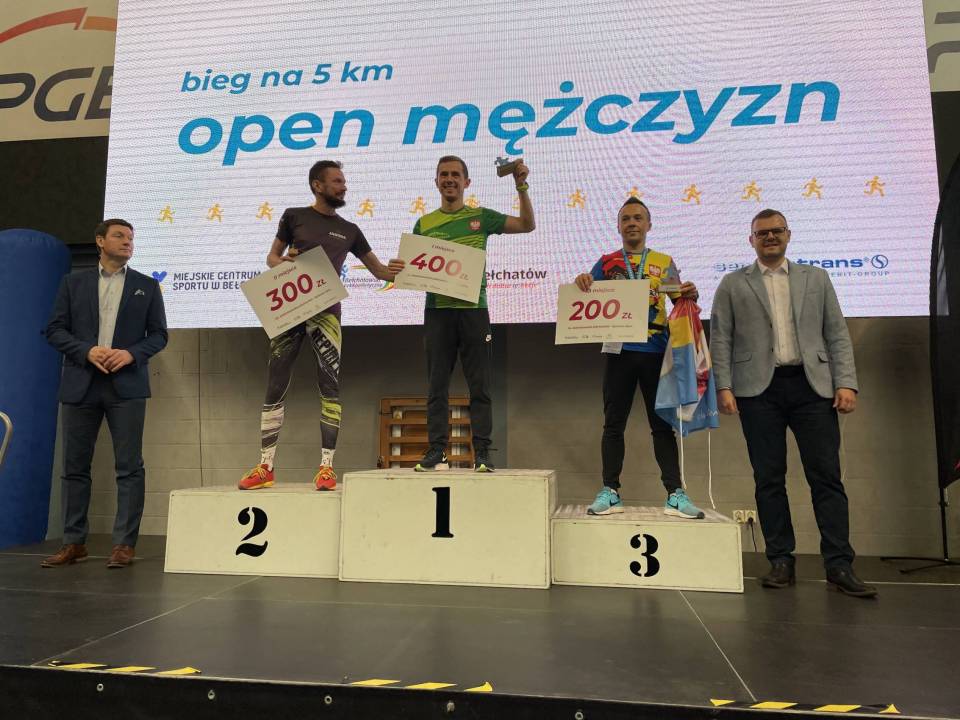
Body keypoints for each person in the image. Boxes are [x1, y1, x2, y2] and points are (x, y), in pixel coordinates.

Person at [710, 208, 877, 598]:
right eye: (762, 233)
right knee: (769, 479)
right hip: (757, 391)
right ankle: (780, 561)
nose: (770, 237)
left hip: (812, 388)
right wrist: (724, 386)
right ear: (751, 240)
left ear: (788, 235)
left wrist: (846, 382)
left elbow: (836, 332)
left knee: (826, 477)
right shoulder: (732, 283)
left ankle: (839, 565)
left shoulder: (816, 278)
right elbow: (721, 338)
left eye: (777, 231)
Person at [239, 160, 403, 491]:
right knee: (275, 384)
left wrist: (403, 268)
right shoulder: (293, 216)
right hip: (291, 310)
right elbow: (272, 258)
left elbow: (380, 272)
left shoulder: (350, 230)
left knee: (329, 385)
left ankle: (327, 468)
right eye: (337, 181)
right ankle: (265, 466)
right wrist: (281, 263)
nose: (344, 186)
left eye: (344, 181)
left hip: (327, 313)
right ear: (318, 185)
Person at [43, 219, 168, 568]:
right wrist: (86, 350)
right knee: (74, 467)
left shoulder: (146, 286)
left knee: (129, 467)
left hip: (127, 386)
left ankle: (124, 545)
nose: (128, 242)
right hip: (81, 383)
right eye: (119, 236)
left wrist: (131, 354)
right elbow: (54, 330)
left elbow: (159, 335)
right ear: (100, 241)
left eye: (131, 238)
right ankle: (73, 542)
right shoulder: (73, 283)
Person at [574, 197, 705, 519]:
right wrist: (582, 283)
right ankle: (610, 490)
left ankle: (675, 493)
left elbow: (679, 300)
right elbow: (585, 295)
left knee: (662, 426)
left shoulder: (663, 261)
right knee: (613, 424)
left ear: (648, 224)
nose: (631, 223)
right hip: (619, 352)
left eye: (637, 218)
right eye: (626, 219)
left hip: (656, 353)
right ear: (618, 226)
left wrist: (690, 293)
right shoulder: (606, 263)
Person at [413, 156, 535, 472]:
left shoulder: (481, 217)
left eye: (456, 174)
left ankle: (481, 452)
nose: (449, 179)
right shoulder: (423, 224)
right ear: (436, 182)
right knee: (436, 387)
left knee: (480, 386)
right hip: (438, 312)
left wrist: (521, 186)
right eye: (444, 174)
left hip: (474, 311)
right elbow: (417, 270)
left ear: (466, 182)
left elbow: (526, 225)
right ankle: (437, 450)